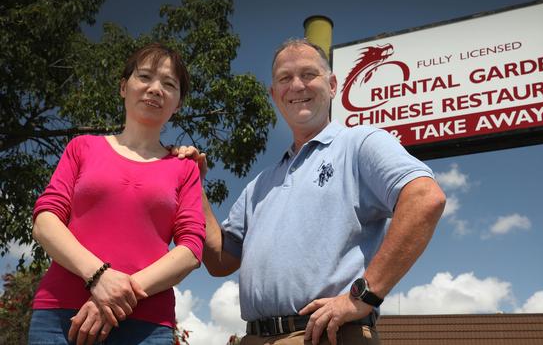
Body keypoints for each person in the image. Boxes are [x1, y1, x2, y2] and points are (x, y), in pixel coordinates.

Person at [177, 38, 446, 345]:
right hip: (254, 337)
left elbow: (425, 198)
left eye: (308, 74)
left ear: (332, 85)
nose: (297, 85)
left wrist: (364, 294)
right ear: (274, 95)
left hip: (326, 334)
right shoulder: (260, 184)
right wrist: (194, 185)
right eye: (285, 78)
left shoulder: (359, 142)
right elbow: (220, 261)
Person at [29, 43, 206, 345]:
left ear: (178, 104)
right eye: (145, 77)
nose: (154, 89)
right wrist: (98, 277)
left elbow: (190, 249)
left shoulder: (185, 168)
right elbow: (45, 221)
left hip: (145, 325)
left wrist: (120, 293)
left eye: (169, 84)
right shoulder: (82, 147)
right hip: (59, 317)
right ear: (124, 87)